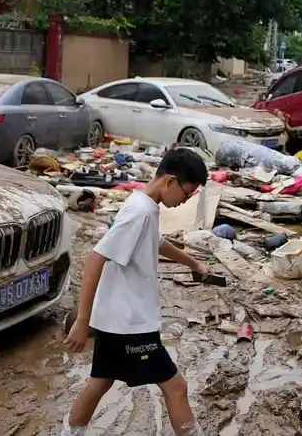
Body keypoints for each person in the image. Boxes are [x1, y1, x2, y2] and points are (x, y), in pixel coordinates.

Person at [62, 147, 211, 436]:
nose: (186, 200)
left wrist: (194, 262)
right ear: (170, 181)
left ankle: (70, 433)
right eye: (187, 192)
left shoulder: (144, 204)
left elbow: (157, 242)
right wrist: (82, 321)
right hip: (130, 325)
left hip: (118, 319)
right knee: (176, 386)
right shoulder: (140, 212)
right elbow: (95, 259)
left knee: (101, 381)